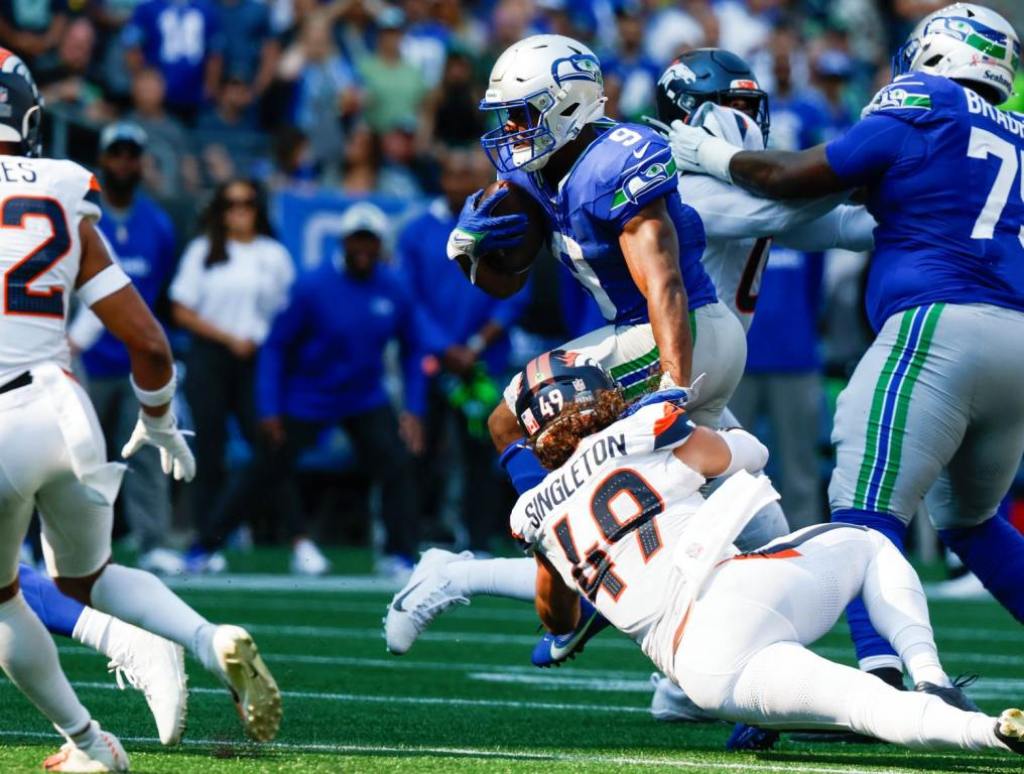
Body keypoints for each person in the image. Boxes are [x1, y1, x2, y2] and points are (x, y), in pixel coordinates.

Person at [667, 3, 1024, 685]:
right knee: (973, 522)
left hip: (938, 326)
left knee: (860, 509)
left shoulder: (928, 96)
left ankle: (883, 673)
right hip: (1016, 339)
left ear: (942, 55)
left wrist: (709, 153)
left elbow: (793, 179)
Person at [470, 353, 1024, 755]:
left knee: (865, 707)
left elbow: (557, 619)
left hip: (701, 672)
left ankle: (992, 734)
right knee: (869, 542)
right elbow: (750, 453)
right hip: (734, 593)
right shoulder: (638, 434)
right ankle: (931, 677)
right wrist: (679, 425)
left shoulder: (532, 514)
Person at [0, 49, 279, 770]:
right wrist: (158, 421)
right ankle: (203, 638)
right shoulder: (63, 191)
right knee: (86, 578)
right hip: (65, 412)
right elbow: (150, 342)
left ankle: (90, 745)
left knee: (2, 601)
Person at [249, 202, 449, 578]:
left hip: (364, 394)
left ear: (380, 245)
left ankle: (400, 552)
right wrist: (270, 407)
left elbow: (414, 348)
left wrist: (413, 410)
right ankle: (213, 544)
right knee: (271, 461)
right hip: (310, 393)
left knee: (397, 460)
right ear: (342, 242)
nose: (362, 247)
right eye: (355, 239)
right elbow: (276, 346)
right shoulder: (312, 285)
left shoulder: (394, 287)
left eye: (369, 240)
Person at [399, 148, 528, 552]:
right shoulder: (417, 231)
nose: (461, 183)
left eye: (468, 175)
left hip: (482, 365)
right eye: (454, 174)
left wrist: (474, 345)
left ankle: (478, 538)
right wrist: (443, 346)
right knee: (422, 449)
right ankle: (416, 536)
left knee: (483, 452)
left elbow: (517, 292)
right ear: (442, 179)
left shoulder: (501, 224)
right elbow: (409, 298)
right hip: (432, 364)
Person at [68, 121, 182, 576]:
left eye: (132, 154)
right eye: (117, 154)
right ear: (102, 160)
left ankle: (153, 539)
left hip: (136, 360)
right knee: (72, 459)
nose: (125, 163)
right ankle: (63, 545)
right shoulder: (79, 216)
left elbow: (162, 296)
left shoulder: (158, 223)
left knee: (149, 453)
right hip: (84, 358)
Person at [170, 179, 294, 574]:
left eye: (248, 203)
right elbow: (180, 308)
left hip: (258, 358)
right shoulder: (204, 250)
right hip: (212, 355)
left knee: (269, 444)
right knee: (210, 447)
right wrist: (227, 337)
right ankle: (206, 539)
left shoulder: (273, 254)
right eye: (232, 203)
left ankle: (294, 536)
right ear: (220, 210)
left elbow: (288, 310)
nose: (240, 210)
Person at [123, 0, 224, 124]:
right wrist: (141, 82)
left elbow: (215, 51)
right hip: (157, 93)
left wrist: (211, 85)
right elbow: (132, 46)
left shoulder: (207, 8)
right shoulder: (147, 8)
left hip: (195, 93)